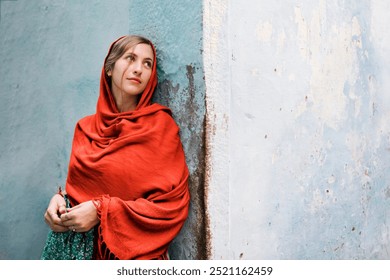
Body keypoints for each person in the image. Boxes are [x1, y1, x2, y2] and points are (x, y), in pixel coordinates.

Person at [41, 35, 190, 260]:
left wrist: (102, 211)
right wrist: (61, 201)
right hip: (82, 254)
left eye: (147, 63)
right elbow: (83, 189)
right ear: (109, 69)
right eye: (130, 58)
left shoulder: (159, 127)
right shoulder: (84, 128)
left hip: (132, 257)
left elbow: (171, 206)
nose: (138, 69)